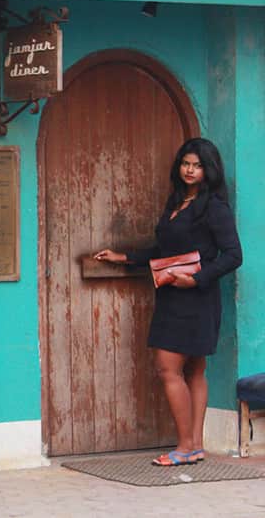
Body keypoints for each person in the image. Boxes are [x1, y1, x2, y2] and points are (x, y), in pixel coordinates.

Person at [94, 138, 242, 466]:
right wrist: (125, 257)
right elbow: (165, 251)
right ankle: (195, 446)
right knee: (192, 370)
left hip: (197, 297)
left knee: (169, 368)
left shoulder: (213, 207)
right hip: (171, 293)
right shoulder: (177, 201)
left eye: (198, 165)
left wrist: (197, 279)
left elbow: (233, 255)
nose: (190, 170)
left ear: (209, 170)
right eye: (186, 163)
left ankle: (187, 447)